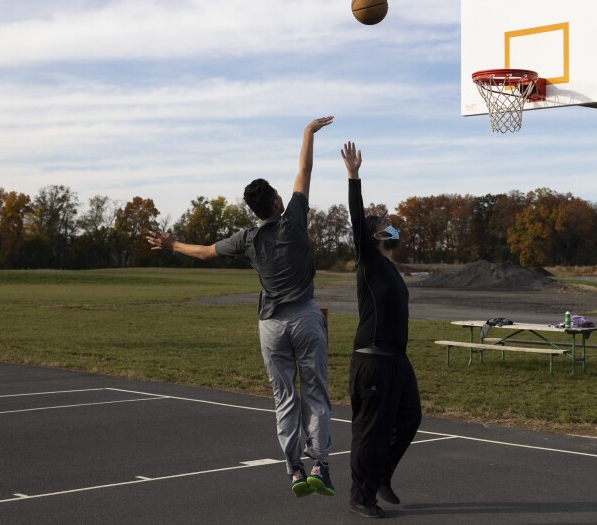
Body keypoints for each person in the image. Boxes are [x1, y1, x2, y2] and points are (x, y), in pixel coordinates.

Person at [146, 116, 336, 499]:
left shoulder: (246, 239)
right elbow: (305, 168)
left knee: (284, 397)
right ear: (277, 201)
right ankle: (320, 464)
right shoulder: (294, 221)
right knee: (315, 392)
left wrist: (171, 245)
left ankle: (295, 471)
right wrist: (307, 133)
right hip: (303, 316)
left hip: (271, 327)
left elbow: (203, 253)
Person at [340, 141, 422, 519]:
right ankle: (361, 495)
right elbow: (358, 218)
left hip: (397, 362)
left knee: (409, 419)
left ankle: (382, 476)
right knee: (370, 433)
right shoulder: (369, 262)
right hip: (371, 361)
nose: (391, 224)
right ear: (374, 236)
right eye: (383, 222)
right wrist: (354, 176)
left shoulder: (391, 267)